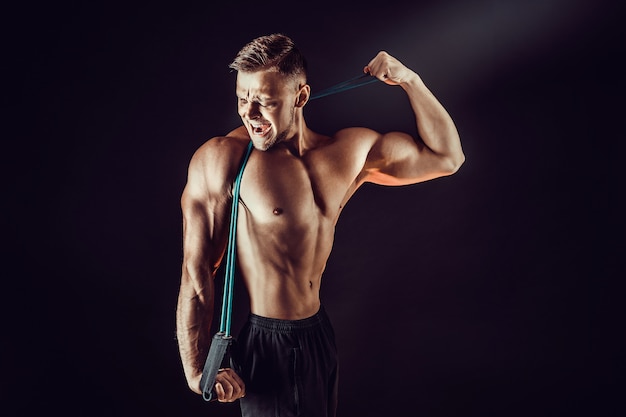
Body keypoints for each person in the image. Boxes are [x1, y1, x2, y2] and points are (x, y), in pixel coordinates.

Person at [176, 33, 464, 417]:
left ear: (301, 97)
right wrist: (196, 368)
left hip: (318, 336)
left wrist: (411, 80)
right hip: (268, 343)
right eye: (243, 98)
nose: (250, 112)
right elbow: (197, 271)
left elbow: (447, 157)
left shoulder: (349, 152)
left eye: (265, 101)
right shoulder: (223, 159)